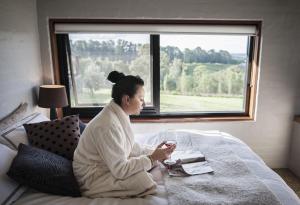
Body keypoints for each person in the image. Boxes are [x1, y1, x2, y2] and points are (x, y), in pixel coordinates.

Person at [73, 71, 176, 198]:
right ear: (127, 99)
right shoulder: (107, 125)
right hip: (93, 178)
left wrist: (155, 152)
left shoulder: (119, 113)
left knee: (150, 164)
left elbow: (130, 146)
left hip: (108, 165)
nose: (144, 103)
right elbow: (120, 170)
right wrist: (152, 158)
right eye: (141, 99)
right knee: (143, 180)